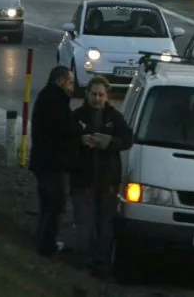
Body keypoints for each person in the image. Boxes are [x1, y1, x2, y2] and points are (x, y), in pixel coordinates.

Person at [69, 76, 133, 278]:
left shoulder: (114, 116)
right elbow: (63, 139)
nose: (97, 99)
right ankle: (82, 262)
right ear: (87, 94)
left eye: (101, 95)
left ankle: (102, 265)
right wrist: (79, 141)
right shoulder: (76, 116)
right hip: (82, 179)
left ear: (107, 97)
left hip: (108, 181)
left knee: (105, 225)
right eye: (94, 94)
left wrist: (109, 142)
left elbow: (128, 139)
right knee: (84, 223)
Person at [28, 65, 81, 257]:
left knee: (47, 204)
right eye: (71, 83)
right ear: (60, 80)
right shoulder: (56, 100)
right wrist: (79, 130)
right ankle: (47, 245)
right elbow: (63, 128)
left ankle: (42, 239)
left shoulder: (48, 97)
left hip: (44, 161)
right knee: (55, 204)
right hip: (52, 163)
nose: (72, 88)